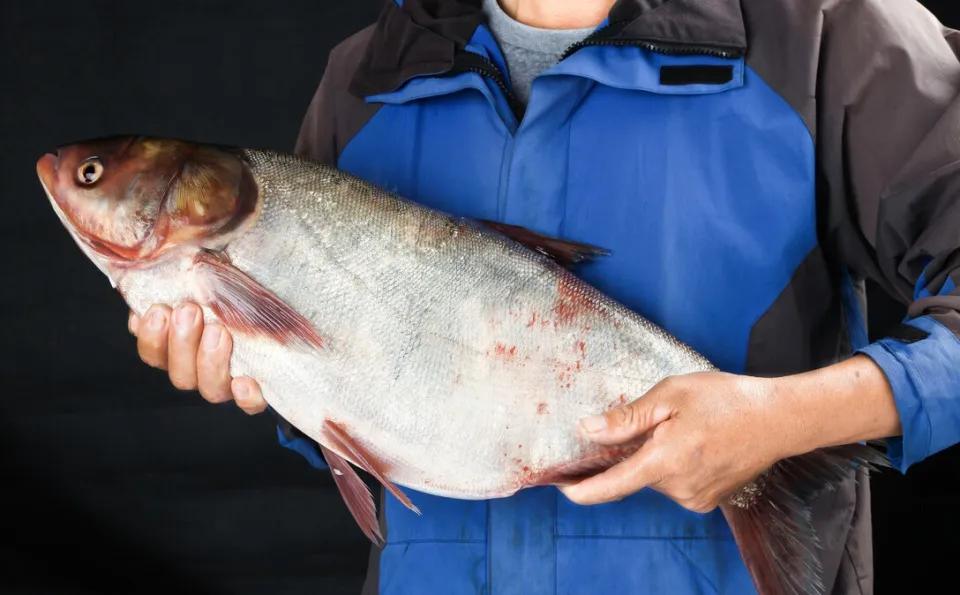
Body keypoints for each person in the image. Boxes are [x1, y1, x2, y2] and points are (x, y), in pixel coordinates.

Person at [128, 0, 960, 592]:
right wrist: (258, 371)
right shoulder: (368, 73)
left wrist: (789, 420)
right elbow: (376, 400)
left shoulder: (828, 35)